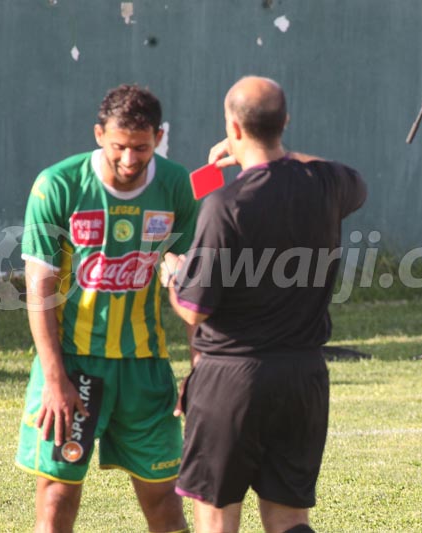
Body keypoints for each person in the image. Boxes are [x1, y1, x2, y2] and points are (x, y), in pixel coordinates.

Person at [164, 76, 367, 533]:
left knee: (216, 519)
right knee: (290, 520)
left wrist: (174, 274)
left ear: (233, 128)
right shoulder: (326, 185)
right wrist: (277, 152)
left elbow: (194, 309)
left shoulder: (224, 205)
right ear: (286, 124)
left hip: (232, 379)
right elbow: (348, 174)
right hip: (303, 378)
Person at [15, 84, 198, 533]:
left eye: (141, 147)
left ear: (159, 136)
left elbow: (194, 290)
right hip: (71, 367)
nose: (130, 159)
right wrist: (54, 380)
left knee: (165, 502)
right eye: (119, 146)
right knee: (57, 499)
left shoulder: (177, 186)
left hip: (145, 370)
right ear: (99, 135)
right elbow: (39, 289)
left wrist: (202, 368)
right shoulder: (57, 185)